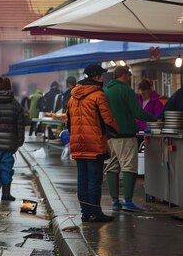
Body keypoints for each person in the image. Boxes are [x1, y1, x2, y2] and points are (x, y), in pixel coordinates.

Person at [66, 64, 119, 222]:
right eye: (101, 75)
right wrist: (117, 130)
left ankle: (85, 212)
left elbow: (68, 121)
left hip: (77, 145)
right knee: (94, 180)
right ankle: (96, 213)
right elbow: (107, 119)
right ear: (96, 77)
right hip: (94, 144)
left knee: (82, 180)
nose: (103, 78)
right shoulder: (98, 95)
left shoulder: (72, 96)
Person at [104, 66, 157, 212]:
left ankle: (115, 201)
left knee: (112, 166)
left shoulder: (106, 91)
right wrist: (156, 119)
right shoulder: (125, 91)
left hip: (111, 136)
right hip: (125, 135)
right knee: (129, 166)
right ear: (125, 75)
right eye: (129, 75)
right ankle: (127, 201)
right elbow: (138, 112)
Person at [0, 76, 30, 201]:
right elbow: (20, 124)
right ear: (10, 87)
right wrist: (20, 140)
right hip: (10, 142)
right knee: (7, 166)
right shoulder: (15, 104)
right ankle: (6, 193)